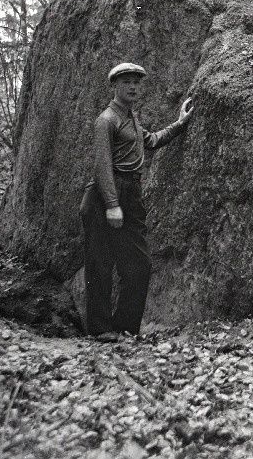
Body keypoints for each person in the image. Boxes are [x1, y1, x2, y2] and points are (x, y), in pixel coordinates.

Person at [80, 62, 193, 341]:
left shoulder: (131, 118)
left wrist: (180, 123)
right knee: (100, 264)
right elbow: (102, 165)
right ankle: (100, 330)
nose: (133, 87)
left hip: (131, 192)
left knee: (139, 264)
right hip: (105, 195)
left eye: (136, 82)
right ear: (115, 86)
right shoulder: (106, 120)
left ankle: (125, 328)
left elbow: (151, 140)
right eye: (127, 82)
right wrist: (112, 204)